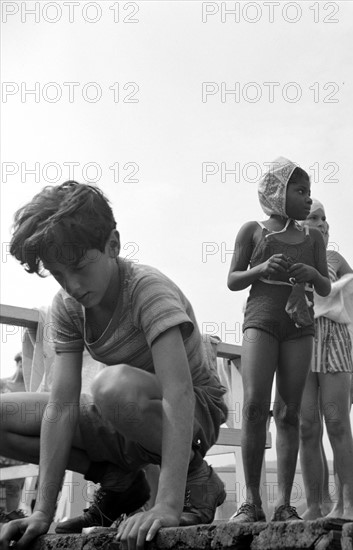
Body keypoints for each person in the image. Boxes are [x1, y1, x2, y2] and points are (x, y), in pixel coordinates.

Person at [0, 181, 228, 549]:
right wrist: (43, 511)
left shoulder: (146, 291)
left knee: (111, 386)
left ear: (113, 245)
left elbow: (179, 393)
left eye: (78, 267)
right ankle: (119, 482)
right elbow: (61, 406)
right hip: (119, 417)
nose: (72, 285)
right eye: (59, 274)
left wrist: (168, 503)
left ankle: (197, 477)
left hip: (192, 413)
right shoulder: (68, 307)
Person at [227, 157, 330, 522]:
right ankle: (251, 502)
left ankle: (284, 504)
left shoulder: (313, 237)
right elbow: (233, 279)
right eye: (300, 191)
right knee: (255, 407)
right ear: (276, 192)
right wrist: (260, 268)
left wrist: (312, 272)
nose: (308, 199)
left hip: (299, 326)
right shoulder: (252, 231)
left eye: (309, 192)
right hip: (261, 321)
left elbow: (325, 286)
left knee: (288, 412)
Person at [298, 200, 353, 520]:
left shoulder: (334, 259)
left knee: (337, 424)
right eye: (314, 218)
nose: (322, 223)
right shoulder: (289, 262)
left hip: (334, 344)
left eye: (325, 218)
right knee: (307, 427)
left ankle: (349, 506)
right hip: (300, 346)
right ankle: (318, 504)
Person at [0, 353, 27, 523]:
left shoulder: (31, 389)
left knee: (13, 489)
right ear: (17, 363)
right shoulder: (2, 383)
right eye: (23, 363)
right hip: (2, 442)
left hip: (19, 448)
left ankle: (10, 524)